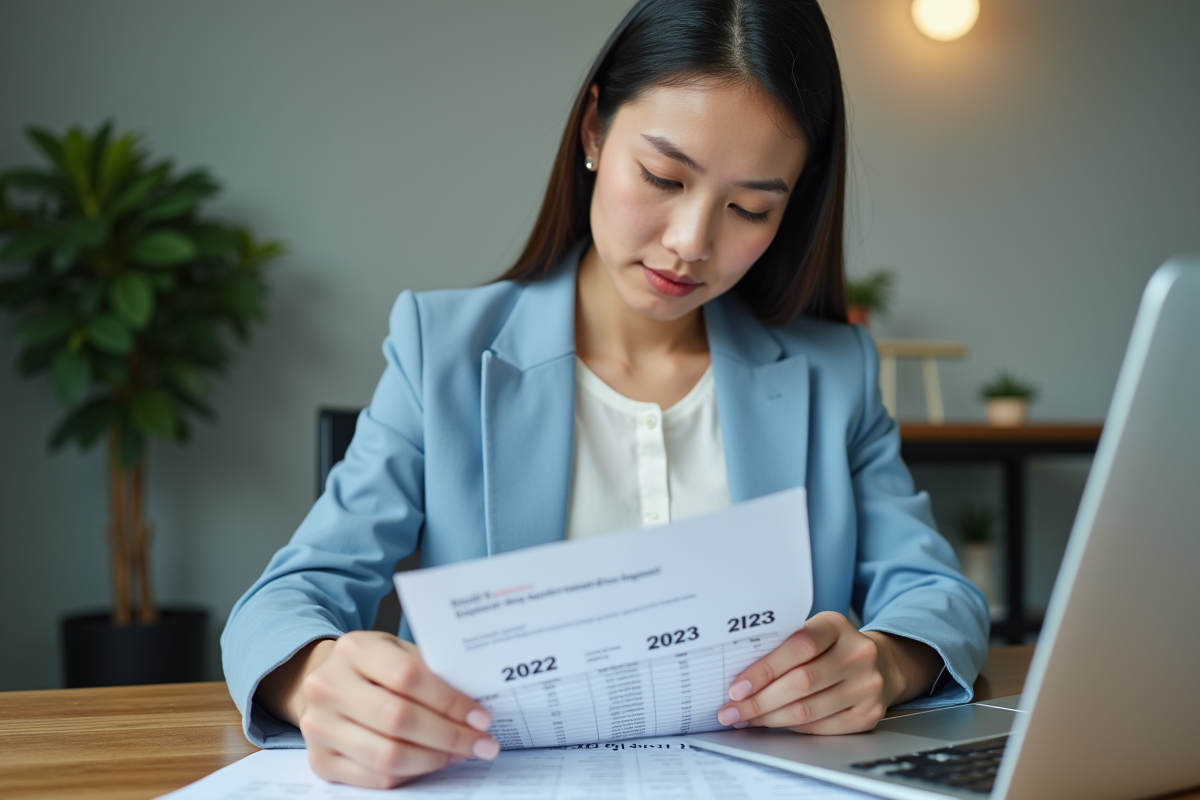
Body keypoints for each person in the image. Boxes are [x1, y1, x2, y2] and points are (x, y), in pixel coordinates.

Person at [222, 0, 989, 790]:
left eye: (749, 207)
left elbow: (938, 594)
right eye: (662, 176)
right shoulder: (441, 349)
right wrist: (317, 683)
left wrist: (888, 663)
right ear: (594, 130)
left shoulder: (834, 372)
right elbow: (289, 596)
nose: (692, 242)